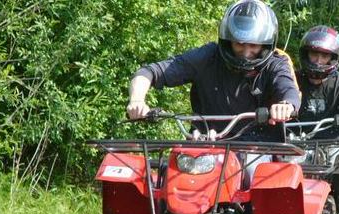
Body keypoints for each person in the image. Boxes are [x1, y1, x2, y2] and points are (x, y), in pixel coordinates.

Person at [126, 0, 300, 141]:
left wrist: (285, 105)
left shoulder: (276, 63)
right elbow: (149, 72)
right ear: (227, 39)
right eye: (239, 43)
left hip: (259, 147)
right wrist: (137, 101)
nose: (246, 52)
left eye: (253, 45)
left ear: (266, 44)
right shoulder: (208, 56)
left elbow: (288, 89)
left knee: (262, 179)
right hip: (203, 142)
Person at [295, 25, 339, 139]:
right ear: (306, 54)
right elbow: (280, 96)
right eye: (314, 54)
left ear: (333, 58)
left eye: (324, 55)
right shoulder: (292, 80)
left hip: (332, 145)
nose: (318, 61)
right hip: (295, 143)